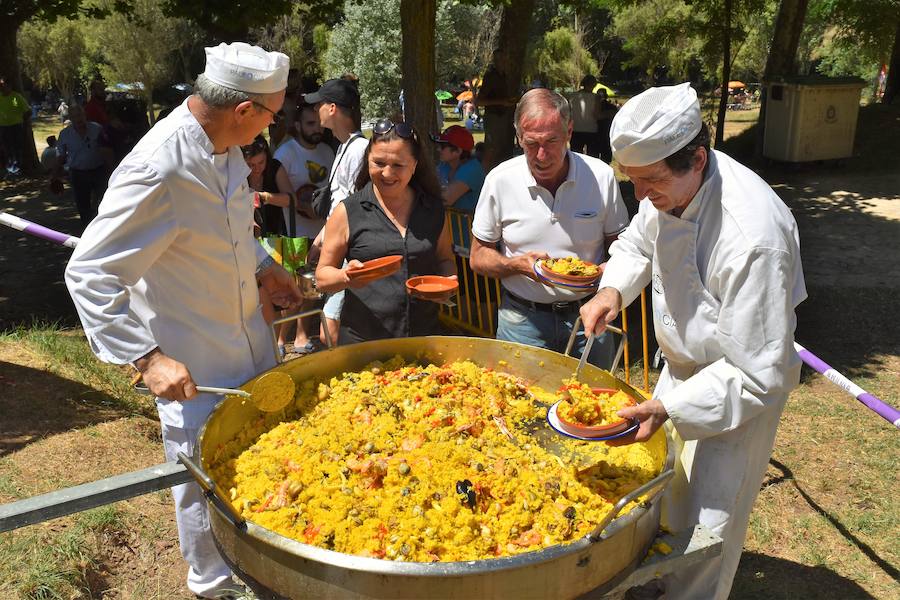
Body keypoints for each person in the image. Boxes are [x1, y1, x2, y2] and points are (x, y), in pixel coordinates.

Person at [65, 42, 300, 600]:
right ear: (244, 112)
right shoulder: (158, 168)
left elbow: (228, 229)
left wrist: (265, 267)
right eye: (272, 113)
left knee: (259, 469)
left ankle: (265, 568)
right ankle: (213, 586)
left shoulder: (228, 150)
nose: (274, 124)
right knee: (202, 488)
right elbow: (90, 272)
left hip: (252, 348)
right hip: (197, 370)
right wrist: (146, 357)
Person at [579, 83, 806, 600]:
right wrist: (613, 289)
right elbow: (640, 237)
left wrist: (670, 408)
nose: (641, 195)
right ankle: (657, 583)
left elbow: (758, 373)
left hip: (737, 395)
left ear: (697, 159)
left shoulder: (753, 237)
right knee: (665, 496)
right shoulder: (669, 184)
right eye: (632, 181)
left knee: (710, 523)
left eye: (649, 182)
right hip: (678, 373)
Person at [470, 88, 629, 368]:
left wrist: (610, 270)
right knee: (520, 406)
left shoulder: (600, 176)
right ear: (518, 136)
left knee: (596, 404)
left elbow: (624, 248)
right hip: (522, 321)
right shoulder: (500, 180)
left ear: (569, 131)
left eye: (552, 141)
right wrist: (518, 266)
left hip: (589, 316)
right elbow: (478, 256)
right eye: (531, 143)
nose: (541, 155)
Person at [315, 119, 456, 343]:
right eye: (378, 163)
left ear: (415, 165)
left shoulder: (432, 209)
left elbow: (445, 259)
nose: (387, 173)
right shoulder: (347, 211)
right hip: (364, 342)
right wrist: (346, 277)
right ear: (367, 160)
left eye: (398, 165)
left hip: (422, 337)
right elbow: (322, 277)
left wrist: (447, 283)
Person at [304, 78, 368, 346]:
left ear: (332, 108)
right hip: (337, 246)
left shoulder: (359, 149)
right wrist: (322, 238)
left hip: (348, 251)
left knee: (329, 331)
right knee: (330, 328)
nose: (313, 110)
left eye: (318, 104)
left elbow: (352, 206)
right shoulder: (344, 146)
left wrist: (325, 239)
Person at [272, 103, 334, 354]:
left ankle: (300, 336)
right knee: (291, 289)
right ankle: (279, 339)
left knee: (312, 289)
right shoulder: (285, 154)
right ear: (297, 126)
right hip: (293, 233)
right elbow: (282, 194)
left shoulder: (328, 152)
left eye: (318, 123)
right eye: (310, 124)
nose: (316, 128)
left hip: (321, 233)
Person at [54, 104, 113, 228]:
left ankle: (105, 227)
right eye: (75, 116)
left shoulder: (97, 129)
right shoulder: (65, 134)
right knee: (83, 205)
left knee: (105, 200)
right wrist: (55, 175)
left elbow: (107, 150)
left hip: (99, 171)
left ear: (85, 115)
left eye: (80, 115)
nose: (79, 119)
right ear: (70, 118)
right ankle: (87, 229)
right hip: (78, 173)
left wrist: (112, 168)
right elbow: (60, 156)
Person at [433, 124, 484, 250]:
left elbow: (446, 199)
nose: (438, 149)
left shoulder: (472, 169)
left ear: (458, 151)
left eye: (443, 146)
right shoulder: (445, 165)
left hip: (470, 242)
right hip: (452, 238)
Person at [241, 135, 290, 237]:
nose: (257, 168)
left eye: (261, 162)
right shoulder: (239, 173)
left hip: (276, 237)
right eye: (251, 165)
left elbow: (291, 200)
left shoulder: (274, 167)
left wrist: (265, 197)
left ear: (267, 157)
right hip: (246, 236)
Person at [0, 76, 32, 175]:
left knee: (17, 147)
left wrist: (22, 120)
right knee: (6, 148)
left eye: (5, 86)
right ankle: (9, 168)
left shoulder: (16, 97)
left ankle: (18, 168)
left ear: (10, 86)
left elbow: (28, 111)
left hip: (16, 126)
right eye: (2, 86)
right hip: (3, 127)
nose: (3, 88)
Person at [567, 75, 600, 158]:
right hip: (591, 130)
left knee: (576, 156)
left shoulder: (572, 96)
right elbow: (596, 115)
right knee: (592, 157)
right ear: (594, 85)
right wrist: (608, 114)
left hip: (576, 129)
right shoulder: (596, 97)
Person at [595, 88, 618, 164]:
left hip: (597, 132)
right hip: (606, 132)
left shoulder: (594, 107)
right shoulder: (612, 107)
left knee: (594, 156)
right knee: (606, 158)